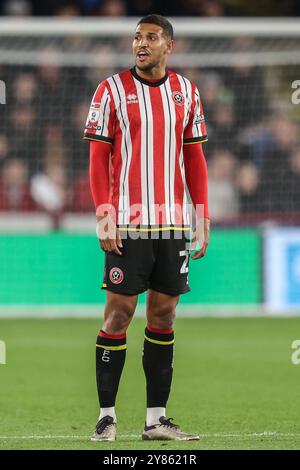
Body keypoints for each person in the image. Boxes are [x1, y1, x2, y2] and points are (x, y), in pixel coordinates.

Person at [84, 14, 210, 441]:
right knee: (119, 314)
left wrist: (202, 214)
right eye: (137, 37)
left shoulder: (186, 92)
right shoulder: (111, 90)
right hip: (129, 221)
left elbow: (194, 159)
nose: (141, 43)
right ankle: (106, 417)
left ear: (168, 45)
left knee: (165, 313)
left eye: (151, 37)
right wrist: (104, 211)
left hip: (173, 223)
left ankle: (156, 420)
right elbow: (98, 157)